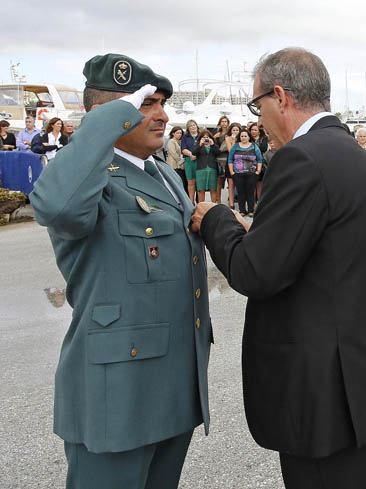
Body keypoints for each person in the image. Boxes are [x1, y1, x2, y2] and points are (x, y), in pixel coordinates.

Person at [192, 47, 366, 489]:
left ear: (280, 96)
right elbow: (327, 244)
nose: (257, 120)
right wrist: (259, 226)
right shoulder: (350, 152)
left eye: (256, 106)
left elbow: (255, 271)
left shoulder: (300, 158)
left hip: (329, 400)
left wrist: (215, 219)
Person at [30, 53, 212, 489]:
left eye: (162, 103)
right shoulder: (86, 178)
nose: (161, 114)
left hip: (172, 386)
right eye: (144, 104)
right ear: (106, 114)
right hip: (119, 393)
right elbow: (57, 207)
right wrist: (106, 119)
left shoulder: (164, 175)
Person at [227, 127, 262, 217]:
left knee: (250, 192)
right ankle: (242, 210)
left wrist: (258, 171)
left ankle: (251, 210)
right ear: (240, 137)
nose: (243, 137)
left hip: (252, 173)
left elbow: (259, 159)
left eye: (245, 136)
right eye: (242, 136)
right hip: (238, 173)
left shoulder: (254, 146)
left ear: (249, 137)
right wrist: (232, 172)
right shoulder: (235, 146)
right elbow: (230, 159)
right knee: (240, 192)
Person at [192, 129, 220, 203]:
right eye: (204, 137)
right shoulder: (198, 145)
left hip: (212, 169)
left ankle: (213, 207)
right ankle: (201, 207)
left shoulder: (214, 145)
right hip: (201, 169)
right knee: (201, 190)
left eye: (207, 137)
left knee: (213, 189)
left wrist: (212, 144)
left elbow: (218, 153)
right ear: (201, 138)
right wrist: (200, 144)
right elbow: (193, 153)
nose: (206, 139)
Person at [181, 119, 199, 203]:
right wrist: (190, 154)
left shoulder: (201, 135)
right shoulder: (185, 137)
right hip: (189, 161)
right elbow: (183, 149)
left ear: (197, 126)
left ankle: (200, 202)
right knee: (191, 183)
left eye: (194, 125)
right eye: (190, 126)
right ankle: (191, 202)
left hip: (200, 161)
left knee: (199, 183)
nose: (192, 127)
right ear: (188, 128)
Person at [224, 122, 242, 209]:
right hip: (231, 161)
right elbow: (231, 151)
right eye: (233, 130)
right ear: (230, 131)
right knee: (231, 183)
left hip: (240, 162)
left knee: (240, 182)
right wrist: (234, 140)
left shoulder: (243, 138)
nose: (235, 132)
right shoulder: (227, 138)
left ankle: (241, 202)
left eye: (237, 130)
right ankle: (231, 203)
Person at [213, 116, 230, 204]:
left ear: (228, 123)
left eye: (225, 121)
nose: (224, 123)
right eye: (222, 121)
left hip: (228, 157)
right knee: (219, 180)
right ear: (220, 123)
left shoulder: (230, 133)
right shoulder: (216, 134)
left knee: (230, 181)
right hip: (219, 158)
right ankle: (218, 199)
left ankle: (230, 199)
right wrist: (214, 137)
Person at [250, 124, 268, 202]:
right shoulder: (247, 139)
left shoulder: (263, 139)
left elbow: (264, 148)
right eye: (252, 130)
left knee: (260, 184)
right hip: (249, 163)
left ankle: (259, 204)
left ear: (259, 131)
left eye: (255, 130)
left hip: (260, 163)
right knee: (252, 185)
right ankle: (252, 205)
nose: (253, 132)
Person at [166, 125, 187, 190]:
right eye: (177, 133)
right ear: (173, 133)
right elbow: (174, 154)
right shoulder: (171, 141)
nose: (179, 134)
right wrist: (181, 163)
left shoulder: (179, 142)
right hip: (174, 165)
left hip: (180, 165)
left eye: (180, 133)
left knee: (183, 183)